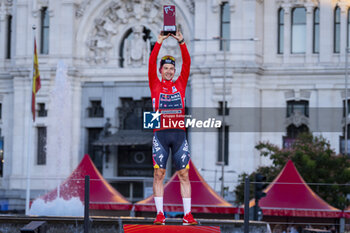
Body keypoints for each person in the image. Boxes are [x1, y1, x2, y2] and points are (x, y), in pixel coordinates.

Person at [148, 29, 197, 226]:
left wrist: (182, 42)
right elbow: (151, 62)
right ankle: (160, 214)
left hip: (179, 135)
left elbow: (187, 62)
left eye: (171, 68)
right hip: (160, 135)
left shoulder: (181, 84)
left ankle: (188, 215)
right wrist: (158, 42)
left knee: (184, 174)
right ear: (160, 71)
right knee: (159, 174)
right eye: (165, 68)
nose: (169, 71)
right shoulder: (155, 84)